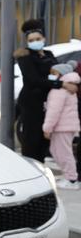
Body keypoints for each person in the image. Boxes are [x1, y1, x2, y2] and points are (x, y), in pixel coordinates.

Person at [15, 19, 78, 161]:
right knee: (32, 141)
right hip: (32, 102)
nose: (35, 42)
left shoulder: (49, 54)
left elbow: (56, 72)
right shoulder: (25, 56)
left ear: (43, 38)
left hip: (48, 101)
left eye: (38, 39)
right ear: (27, 41)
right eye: (31, 40)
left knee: (45, 140)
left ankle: (41, 169)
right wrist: (61, 85)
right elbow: (33, 80)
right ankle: (31, 171)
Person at [43, 62, 81, 190]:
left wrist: (47, 128)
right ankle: (68, 176)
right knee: (57, 151)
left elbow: (54, 111)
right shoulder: (69, 88)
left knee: (64, 153)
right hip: (65, 126)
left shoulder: (59, 90)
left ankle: (71, 179)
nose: (51, 75)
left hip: (62, 127)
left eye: (53, 73)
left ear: (60, 74)